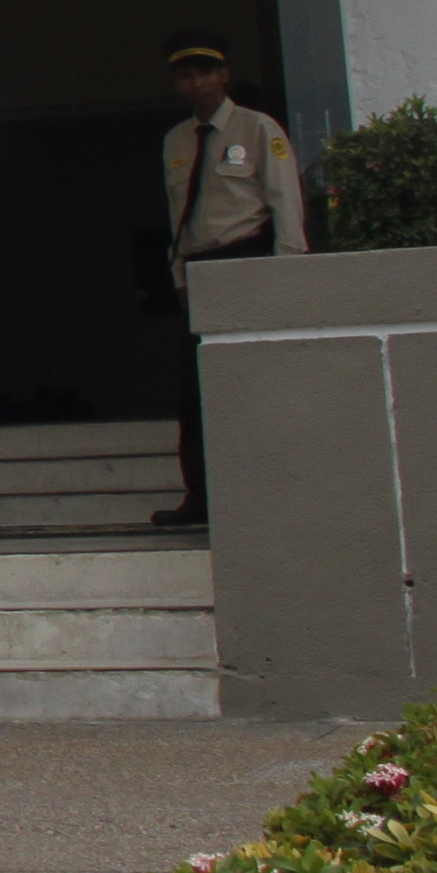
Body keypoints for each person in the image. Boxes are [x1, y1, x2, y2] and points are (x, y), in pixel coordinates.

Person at [151, 32, 304, 528]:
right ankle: (200, 497)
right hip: (198, 270)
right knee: (191, 391)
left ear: (224, 76)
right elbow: (178, 213)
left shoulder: (257, 128)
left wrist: (288, 272)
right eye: (185, 75)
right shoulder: (176, 140)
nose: (196, 84)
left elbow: (285, 201)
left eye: (204, 73)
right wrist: (178, 275)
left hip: (247, 259)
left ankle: (267, 490)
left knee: (253, 382)